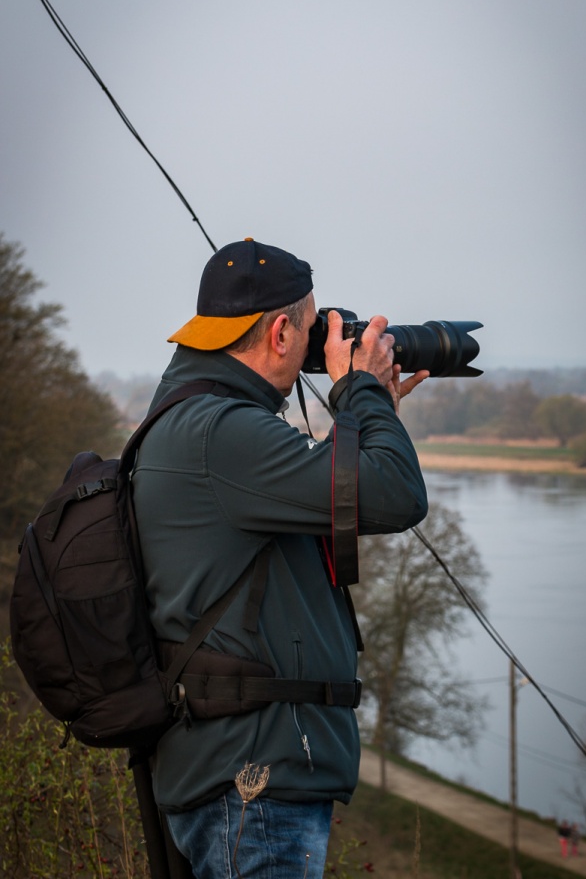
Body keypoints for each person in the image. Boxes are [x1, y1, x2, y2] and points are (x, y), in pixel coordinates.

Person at [132, 237, 429, 878]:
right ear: (279, 331)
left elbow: (340, 491)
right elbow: (395, 496)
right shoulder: (221, 431)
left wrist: (370, 411)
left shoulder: (196, 419)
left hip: (234, 771)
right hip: (252, 782)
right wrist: (362, 395)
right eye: (313, 324)